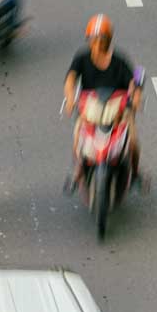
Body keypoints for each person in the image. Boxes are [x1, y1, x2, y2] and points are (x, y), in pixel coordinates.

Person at [62, 14, 142, 188]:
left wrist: (136, 97)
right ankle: (77, 171)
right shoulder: (81, 58)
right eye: (93, 39)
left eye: (102, 39)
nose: (97, 44)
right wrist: (70, 98)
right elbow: (70, 79)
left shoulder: (119, 60)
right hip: (91, 107)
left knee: (133, 141)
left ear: (109, 40)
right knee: (78, 138)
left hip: (118, 109)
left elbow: (134, 80)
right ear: (88, 40)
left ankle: (135, 174)